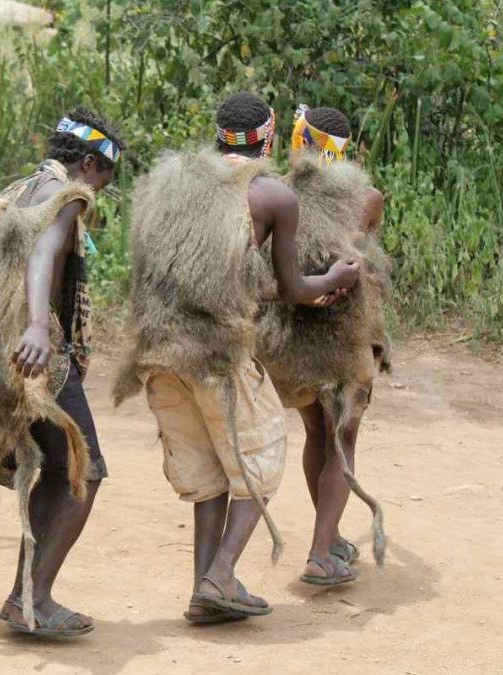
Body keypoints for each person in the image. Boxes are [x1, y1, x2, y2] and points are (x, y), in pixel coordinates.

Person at [112, 92, 360, 624]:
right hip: (217, 355)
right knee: (258, 460)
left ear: (219, 135)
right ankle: (222, 574)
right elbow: (293, 288)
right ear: (269, 140)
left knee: (209, 474)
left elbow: (211, 276)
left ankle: (207, 590)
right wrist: (335, 279)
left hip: (158, 353)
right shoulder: (271, 195)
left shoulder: (172, 185)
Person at [0, 108, 122, 638]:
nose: (99, 191)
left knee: (55, 468)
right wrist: (37, 325)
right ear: (86, 164)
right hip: (34, 348)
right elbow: (44, 252)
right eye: (103, 177)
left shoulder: (17, 188)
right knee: (85, 468)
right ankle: (32, 597)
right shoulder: (67, 194)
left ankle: (23, 597)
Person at [256, 105, 390, 586]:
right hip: (339, 338)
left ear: (298, 143)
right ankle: (320, 551)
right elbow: (349, 256)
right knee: (343, 439)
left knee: (318, 431)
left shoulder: (272, 193)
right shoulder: (366, 198)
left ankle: (329, 538)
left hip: (286, 339)